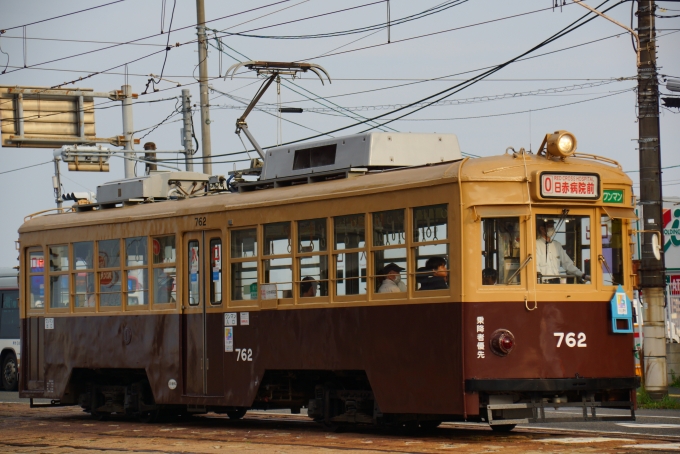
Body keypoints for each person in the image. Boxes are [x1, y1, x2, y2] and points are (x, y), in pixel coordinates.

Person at [536, 219, 589, 283]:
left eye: (553, 226)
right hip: (543, 283)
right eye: (550, 226)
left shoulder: (557, 245)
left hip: (557, 281)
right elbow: (535, 266)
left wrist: (582, 275)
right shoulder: (536, 244)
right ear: (542, 229)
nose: (553, 229)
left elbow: (567, 263)